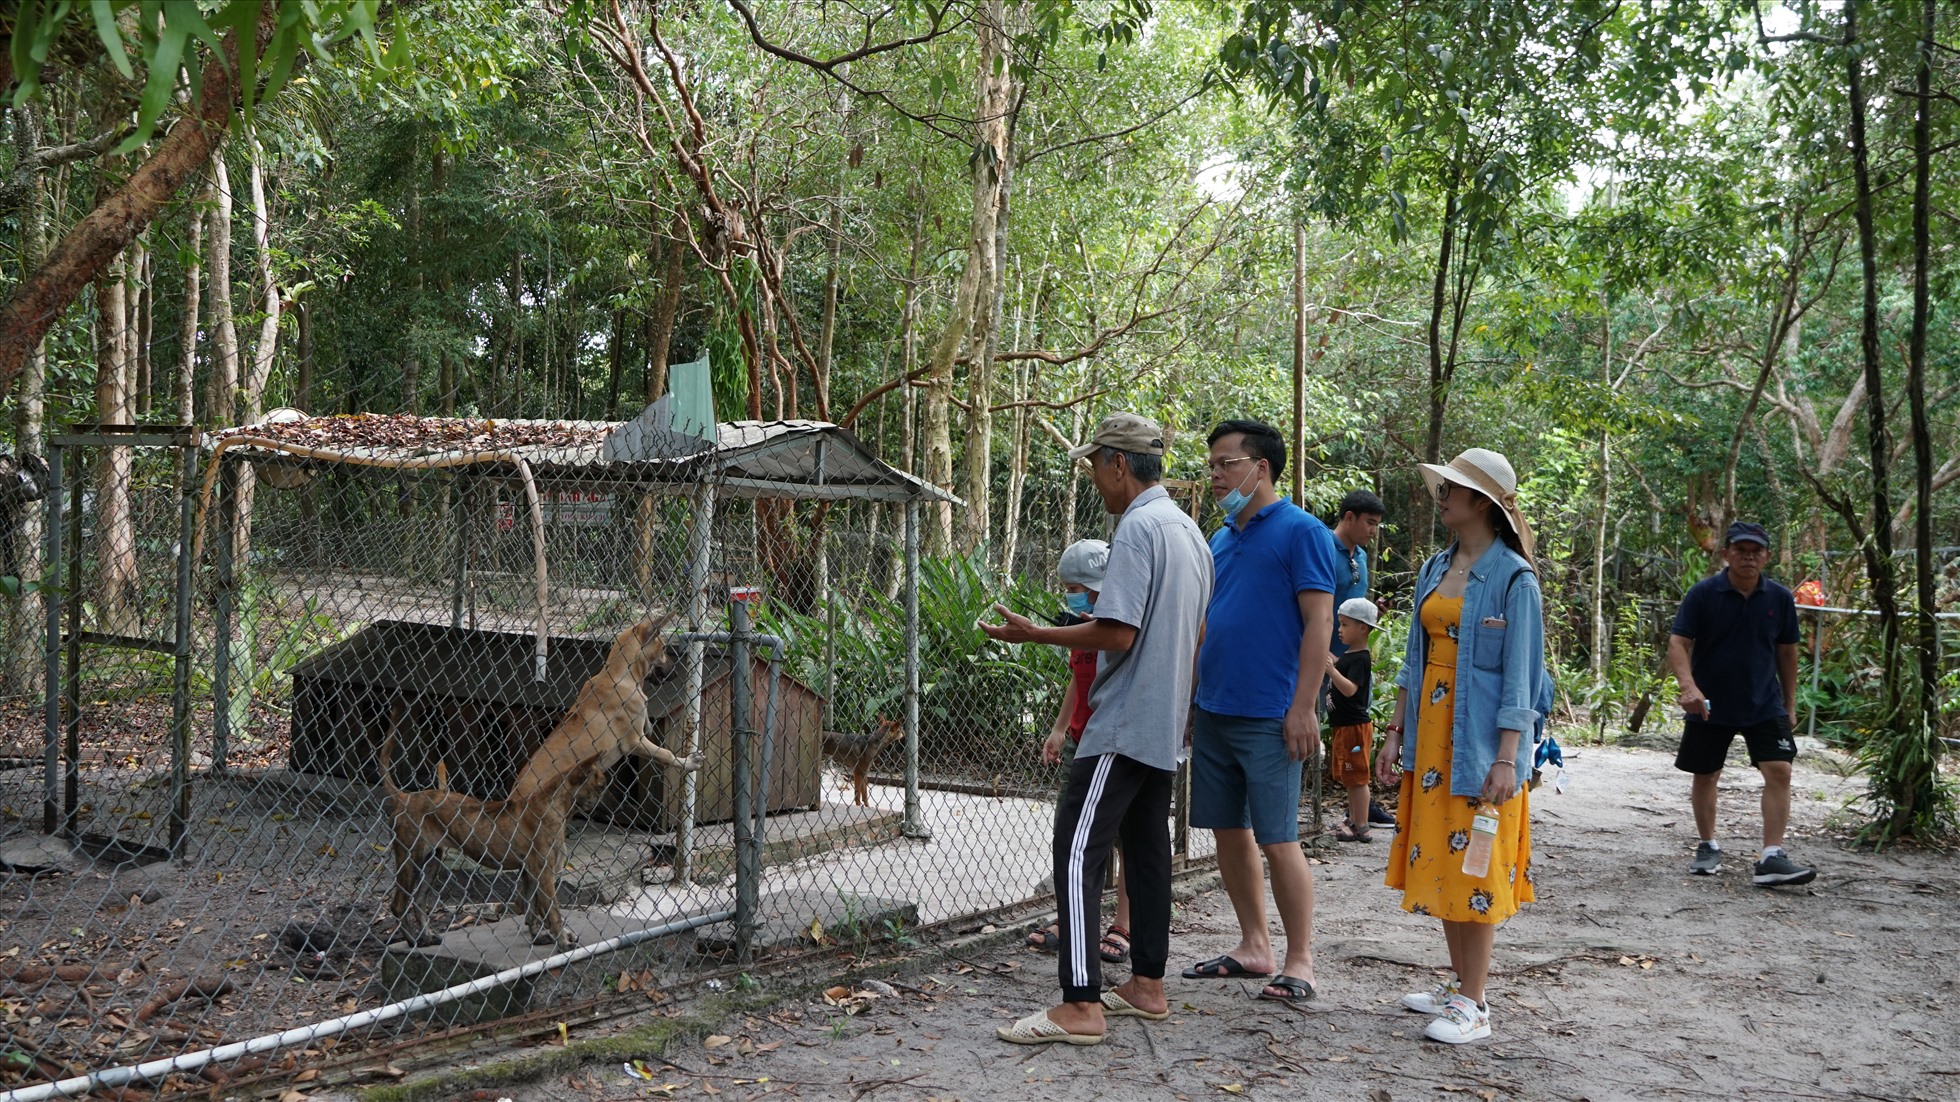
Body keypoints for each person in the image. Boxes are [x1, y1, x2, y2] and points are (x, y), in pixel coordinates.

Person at [984, 412, 1211, 1046]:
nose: (1092, 477)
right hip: (1163, 724)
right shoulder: (1191, 532)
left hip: (1123, 721)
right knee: (1145, 854)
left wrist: (1036, 633)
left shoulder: (1137, 528)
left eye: (1094, 464)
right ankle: (1148, 985)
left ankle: (1080, 1004)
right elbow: (1196, 634)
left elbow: (1118, 631)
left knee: (1078, 850)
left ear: (1118, 463)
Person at [1376, 447, 1548, 1045]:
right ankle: (1460, 983)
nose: (1441, 495)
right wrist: (1395, 729)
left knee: (1477, 868)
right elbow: (1412, 661)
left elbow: (1523, 681)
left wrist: (1508, 757)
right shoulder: (1434, 567)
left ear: (1483, 502)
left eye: (1453, 487)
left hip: (1481, 749)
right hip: (1430, 742)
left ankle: (1475, 1004)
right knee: (1447, 863)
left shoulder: (1515, 579)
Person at [1182, 419, 1337, 1005]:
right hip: (1216, 708)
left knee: (1279, 839)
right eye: (1214, 464)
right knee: (1228, 831)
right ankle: (1254, 946)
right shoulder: (1220, 537)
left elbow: (1319, 621)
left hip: (1273, 714)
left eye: (1226, 463)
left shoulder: (1303, 532)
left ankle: (1300, 960)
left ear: (1260, 468)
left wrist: (1303, 707)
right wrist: (1194, 699)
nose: (1216, 474)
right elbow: (1205, 627)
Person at [1665, 521, 1815, 887]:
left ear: (1766, 556)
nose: (1748, 557)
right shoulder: (1703, 594)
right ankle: (1707, 844)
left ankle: (1771, 856)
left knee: (1780, 770)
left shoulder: (1779, 598)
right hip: (1709, 703)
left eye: (1756, 551)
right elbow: (1678, 643)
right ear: (1726, 554)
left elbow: (1788, 653)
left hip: (1764, 702)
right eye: (1741, 550)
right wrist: (1688, 688)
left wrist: (1790, 703)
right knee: (1706, 773)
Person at [1026, 539, 1134, 966]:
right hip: (1080, 739)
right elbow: (1079, 674)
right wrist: (1058, 728)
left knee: (1126, 835)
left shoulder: (1120, 618)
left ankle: (1124, 924)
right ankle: (1071, 918)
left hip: (1115, 739)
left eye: (1078, 586)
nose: (1072, 594)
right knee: (1071, 835)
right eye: (1068, 587)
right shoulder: (1078, 621)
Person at [1329, 489, 1394, 829]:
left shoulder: (1361, 556)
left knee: (1353, 732)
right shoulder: (1323, 547)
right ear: (1349, 517)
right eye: (1369, 523)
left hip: (1352, 662)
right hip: (1321, 658)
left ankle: (1359, 810)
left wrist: (1372, 616)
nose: (1373, 531)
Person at [1327, 597, 1380, 843]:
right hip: (1345, 727)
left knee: (1357, 778)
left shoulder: (1361, 657)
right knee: (1350, 777)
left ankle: (1361, 826)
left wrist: (1331, 670)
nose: (1340, 629)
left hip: (1354, 728)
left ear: (1363, 628)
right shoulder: (1350, 654)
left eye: (1345, 624)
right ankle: (1354, 820)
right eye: (1339, 623)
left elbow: (1350, 689)